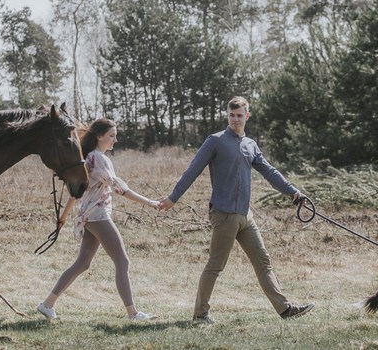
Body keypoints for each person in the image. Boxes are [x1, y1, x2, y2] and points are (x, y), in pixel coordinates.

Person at [158, 96, 314, 324]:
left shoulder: (250, 145)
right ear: (227, 115)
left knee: (263, 262)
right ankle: (200, 315)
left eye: (240, 115)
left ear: (247, 116)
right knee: (215, 265)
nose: (235, 119)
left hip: (245, 215)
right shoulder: (215, 141)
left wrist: (294, 192)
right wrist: (173, 197)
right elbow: (192, 171)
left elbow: (269, 171)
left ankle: (285, 309)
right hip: (224, 214)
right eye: (231, 115)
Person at [38, 118, 159, 321]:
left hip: (88, 216)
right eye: (111, 136)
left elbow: (76, 193)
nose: (115, 140)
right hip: (98, 216)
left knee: (83, 263)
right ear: (99, 136)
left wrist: (65, 215)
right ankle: (133, 313)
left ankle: (47, 304)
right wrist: (150, 202)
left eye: (115, 135)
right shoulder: (99, 159)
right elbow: (120, 188)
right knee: (122, 261)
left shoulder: (88, 159)